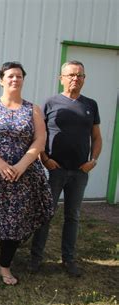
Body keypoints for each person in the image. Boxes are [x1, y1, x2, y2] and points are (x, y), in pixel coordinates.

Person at [0, 62, 54, 285]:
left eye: (18, 76)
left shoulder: (32, 109)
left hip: (23, 175)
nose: (14, 80)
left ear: (23, 80)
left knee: (14, 219)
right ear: (1, 80)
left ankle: (5, 266)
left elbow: (40, 139)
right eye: (10, 76)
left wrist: (21, 165)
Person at [29, 60, 102, 277]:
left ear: (84, 79)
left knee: (73, 216)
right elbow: (39, 135)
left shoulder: (91, 105)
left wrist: (94, 160)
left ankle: (69, 260)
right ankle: (35, 259)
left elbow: (97, 137)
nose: (75, 79)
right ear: (61, 78)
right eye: (70, 75)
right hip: (55, 170)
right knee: (46, 214)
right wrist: (44, 158)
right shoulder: (50, 103)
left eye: (79, 75)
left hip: (80, 171)